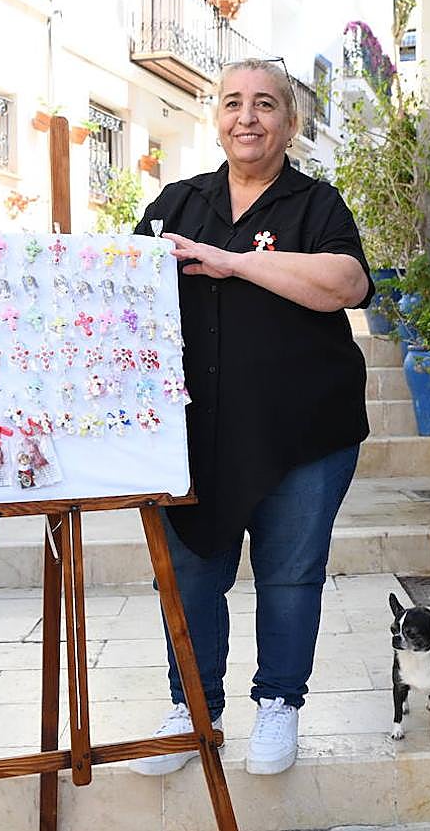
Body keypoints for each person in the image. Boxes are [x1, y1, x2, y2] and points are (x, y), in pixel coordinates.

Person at [128, 57, 374, 777]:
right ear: (217, 119)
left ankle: (279, 702)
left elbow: (346, 283)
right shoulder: (177, 202)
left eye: (265, 104)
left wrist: (229, 261)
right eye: (234, 102)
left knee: (290, 571)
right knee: (189, 574)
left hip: (304, 430)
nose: (248, 117)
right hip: (193, 433)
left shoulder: (314, 203)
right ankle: (192, 711)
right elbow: (120, 285)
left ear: (288, 122)